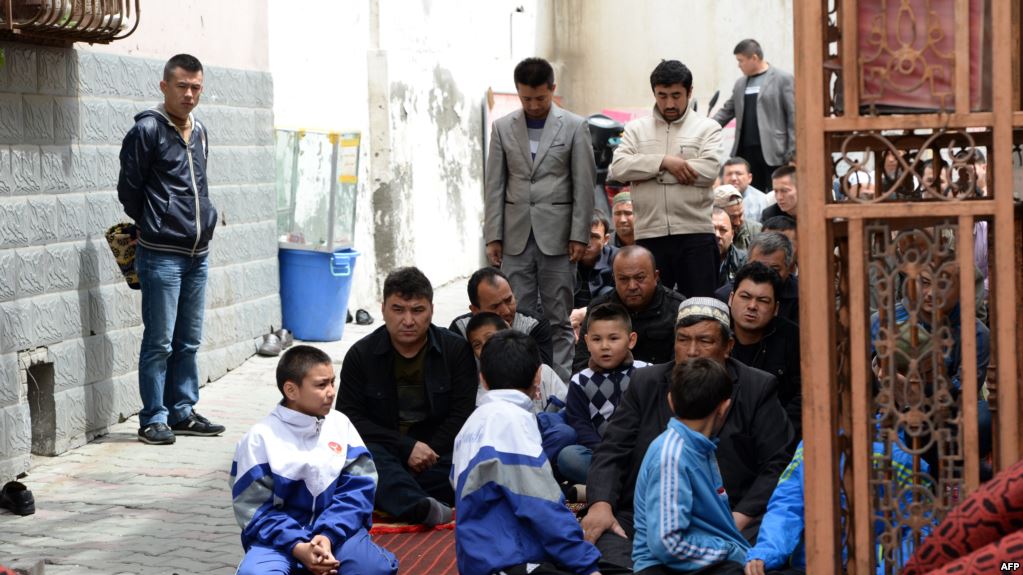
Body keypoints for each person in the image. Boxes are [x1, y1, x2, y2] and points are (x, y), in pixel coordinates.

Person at [581, 298, 794, 572]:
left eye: (705, 341)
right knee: (601, 541)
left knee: (762, 551)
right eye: (683, 340)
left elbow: (778, 463)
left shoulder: (756, 387)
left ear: (728, 346)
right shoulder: (647, 382)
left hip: (730, 516)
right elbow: (612, 448)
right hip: (651, 516)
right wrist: (600, 505)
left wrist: (737, 520)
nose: (692, 351)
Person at [117, 53, 224, 445]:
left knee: (188, 341)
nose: (189, 94)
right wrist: (154, 221)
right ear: (165, 86)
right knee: (159, 342)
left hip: (198, 253)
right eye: (182, 86)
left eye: (196, 87)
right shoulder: (147, 130)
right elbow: (129, 190)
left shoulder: (200, 130)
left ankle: (181, 412)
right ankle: (153, 418)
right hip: (160, 253)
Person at [231, 345, 398, 575]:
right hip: (278, 541)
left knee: (372, 569)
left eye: (332, 382)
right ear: (291, 390)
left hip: (338, 534)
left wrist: (328, 536)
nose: (331, 392)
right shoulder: (259, 439)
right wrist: (298, 546)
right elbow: (253, 509)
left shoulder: (340, 424)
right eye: (321, 385)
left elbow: (359, 491)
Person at [452, 330, 602, 575]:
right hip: (510, 562)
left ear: (483, 380)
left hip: (478, 558)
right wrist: (586, 564)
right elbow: (540, 506)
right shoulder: (512, 421)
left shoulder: (469, 426)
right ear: (538, 376)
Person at [485, 57, 596, 381]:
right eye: (526, 99)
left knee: (558, 317)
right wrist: (493, 235)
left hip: (559, 238)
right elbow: (494, 185)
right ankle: (516, 379)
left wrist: (579, 234)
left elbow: (584, 184)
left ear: (552, 89)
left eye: (540, 98)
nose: (533, 105)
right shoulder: (502, 127)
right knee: (513, 316)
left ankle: (559, 385)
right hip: (515, 236)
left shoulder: (574, 126)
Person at [337, 267, 476, 526]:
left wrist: (426, 453)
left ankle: (399, 498)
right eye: (398, 310)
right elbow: (349, 419)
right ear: (383, 310)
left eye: (417, 310)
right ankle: (418, 505)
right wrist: (406, 448)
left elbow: (462, 414)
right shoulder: (361, 355)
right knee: (364, 461)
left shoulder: (455, 351)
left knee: (470, 464)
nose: (408, 320)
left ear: (431, 310)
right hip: (386, 452)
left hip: (438, 454)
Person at [609, 59, 723, 297]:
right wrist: (664, 162)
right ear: (654, 93)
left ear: (689, 92)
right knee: (652, 308)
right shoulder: (635, 129)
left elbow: (709, 170)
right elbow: (619, 168)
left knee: (700, 307)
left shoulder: (708, 128)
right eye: (662, 96)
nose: (669, 103)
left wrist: (646, 172)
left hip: (696, 234)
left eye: (676, 95)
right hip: (650, 234)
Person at [633, 359, 750, 575]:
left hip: (703, 557)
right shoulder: (671, 455)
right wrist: (731, 551)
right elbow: (667, 544)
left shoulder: (700, 446)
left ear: (670, 401)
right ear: (724, 407)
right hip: (664, 567)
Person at [560, 303, 649, 486]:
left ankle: (608, 486)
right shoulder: (580, 381)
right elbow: (580, 424)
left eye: (613, 338)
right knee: (568, 457)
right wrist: (603, 451)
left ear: (631, 340)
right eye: (597, 339)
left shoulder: (645, 372)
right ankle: (624, 486)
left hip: (640, 453)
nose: (605, 346)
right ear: (586, 341)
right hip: (600, 455)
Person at [573, 246, 685, 372]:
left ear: (655, 276)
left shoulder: (677, 308)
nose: (632, 286)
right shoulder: (599, 308)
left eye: (640, 278)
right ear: (614, 279)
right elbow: (581, 364)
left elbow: (682, 366)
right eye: (623, 279)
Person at [727, 262, 801, 437]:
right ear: (731, 298)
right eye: (745, 297)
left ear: (776, 308)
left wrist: (780, 431)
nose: (752, 306)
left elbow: (804, 394)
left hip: (778, 435)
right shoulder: (715, 333)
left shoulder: (792, 337)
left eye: (763, 300)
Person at [713, 39, 796, 193]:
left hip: (774, 152)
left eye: (741, 61)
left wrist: (793, 152)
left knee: (776, 195)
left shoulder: (783, 79)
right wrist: (706, 127)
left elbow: (793, 117)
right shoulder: (740, 83)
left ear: (754, 58)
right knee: (750, 194)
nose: (739, 65)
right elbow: (727, 111)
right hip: (746, 152)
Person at [449, 266, 556, 374]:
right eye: (495, 307)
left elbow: (541, 377)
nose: (506, 311)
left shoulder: (534, 325)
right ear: (475, 310)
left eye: (509, 300)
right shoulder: (460, 329)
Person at [465, 312, 567, 414]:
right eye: (477, 345)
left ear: (507, 334)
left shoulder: (543, 372)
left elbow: (566, 408)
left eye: (489, 338)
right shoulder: (480, 386)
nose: (485, 347)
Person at [716, 232, 799, 325]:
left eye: (774, 269)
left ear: (789, 269)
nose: (766, 274)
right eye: (758, 266)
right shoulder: (724, 296)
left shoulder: (801, 297)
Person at [575, 213, 619, 310]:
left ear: (606, 239)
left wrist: (586, 311)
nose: (587, 243)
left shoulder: (617, 259)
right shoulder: (562, 260)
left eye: (594, 237)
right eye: (581, 234)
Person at [722, 157, 774, 224]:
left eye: (738, 174)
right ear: (723, 178)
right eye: (729, 174)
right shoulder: (713, 199)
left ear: (749, 178)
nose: (733, 178)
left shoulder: (762, 201)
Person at [715, 184, 762, 251]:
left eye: (740, 215)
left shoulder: (756, 231)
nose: (737, 222)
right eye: (732, 217)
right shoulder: (709, 235)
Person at [713, 207, 748, 289]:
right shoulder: (691, 261)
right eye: (712, 229)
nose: (717, 235)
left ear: (732, 235)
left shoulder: (745, 262)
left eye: (723, 230)